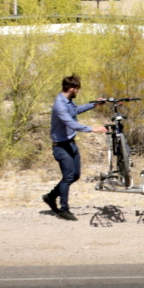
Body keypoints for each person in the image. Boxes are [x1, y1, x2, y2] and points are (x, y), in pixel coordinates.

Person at [42, 74, 106, 219]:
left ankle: (50, 197)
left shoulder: (68, 101)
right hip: (61, 146)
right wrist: (92, 129)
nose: (78, 91)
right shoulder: (60, 104)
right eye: (77, 89)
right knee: (68, 176)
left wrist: (94, 104)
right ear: (72, 88)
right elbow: (71, 123)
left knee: (75, 175)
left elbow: (75, 110)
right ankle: (64, 209)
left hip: (71, 143)